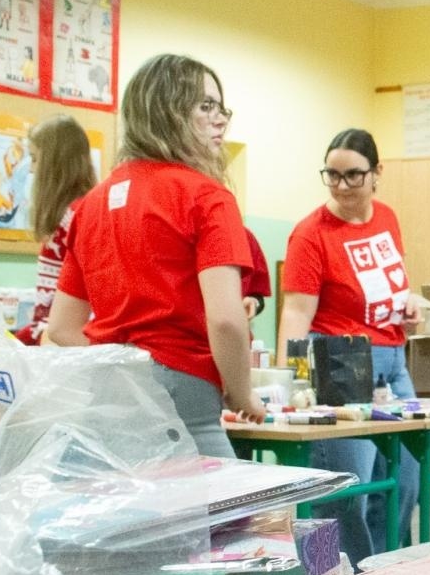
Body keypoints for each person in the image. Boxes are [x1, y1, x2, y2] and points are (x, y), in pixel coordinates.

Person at [46, 53, 262, 457]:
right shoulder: (207, 196)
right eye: (206, 106)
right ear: (168, 111)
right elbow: (226, 319)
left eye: (221, 108)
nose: (220, 120)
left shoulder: (90, 205)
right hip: (182, 390)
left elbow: (61, 327)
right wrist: (242, 392)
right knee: (224, 499)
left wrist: (121, 373)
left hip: (106, 388)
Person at [278, 128, 423, 566]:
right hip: (339, 364)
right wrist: (290, 384)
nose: (341, 186)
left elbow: (388, 284)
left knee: (405, 478)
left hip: (392, 361)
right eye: (332, 175)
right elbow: (295, 315)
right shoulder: (310, 234)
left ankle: (381, 573)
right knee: (345, 492)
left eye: (353, 175)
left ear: (377, 173)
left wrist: (408, 305)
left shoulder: (387, 218)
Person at [14, 114, 95, 345]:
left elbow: (76, 310)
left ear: (54, 164)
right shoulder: (66, 215)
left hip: (64, 342)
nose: (31, 169)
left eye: (34, 159)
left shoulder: (78, 215)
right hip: (52, 337)